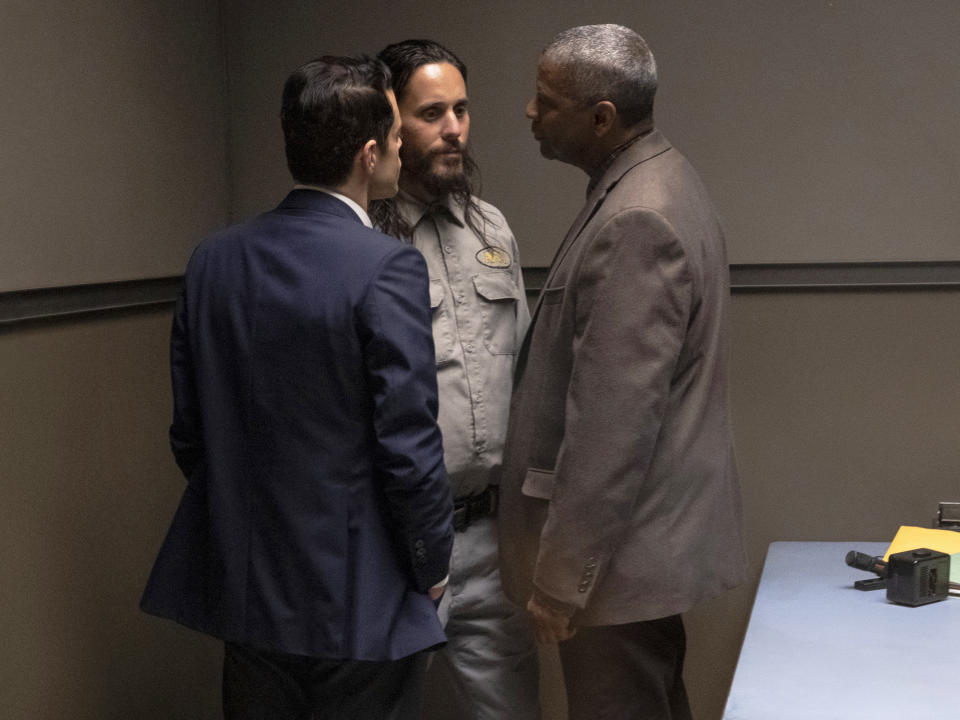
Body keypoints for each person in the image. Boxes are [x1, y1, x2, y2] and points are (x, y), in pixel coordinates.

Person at [140, 55, 454, 720]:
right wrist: (431, 563)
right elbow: (410, 449)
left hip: (248, 589)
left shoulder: (213, 259)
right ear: (370, 155)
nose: (402, 147)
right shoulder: (387, 268)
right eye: (397, 137)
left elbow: (190, 433)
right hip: (360, 597)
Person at [498, 24, 748, 720]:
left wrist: (562, 582)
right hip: (637, 556)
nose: (530, 112)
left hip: (613, 569)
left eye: (547, 101)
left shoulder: (638, 216)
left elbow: (612, 426)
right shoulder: (656, 179)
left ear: (601, 118)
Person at [371, 39, 540, 720]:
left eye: (463, 110)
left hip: (491, 538)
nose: (454, 129)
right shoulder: (366, 246)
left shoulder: (489, 227)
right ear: (389, 124)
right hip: (395, 544)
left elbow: (527, 372)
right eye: (432, 112)